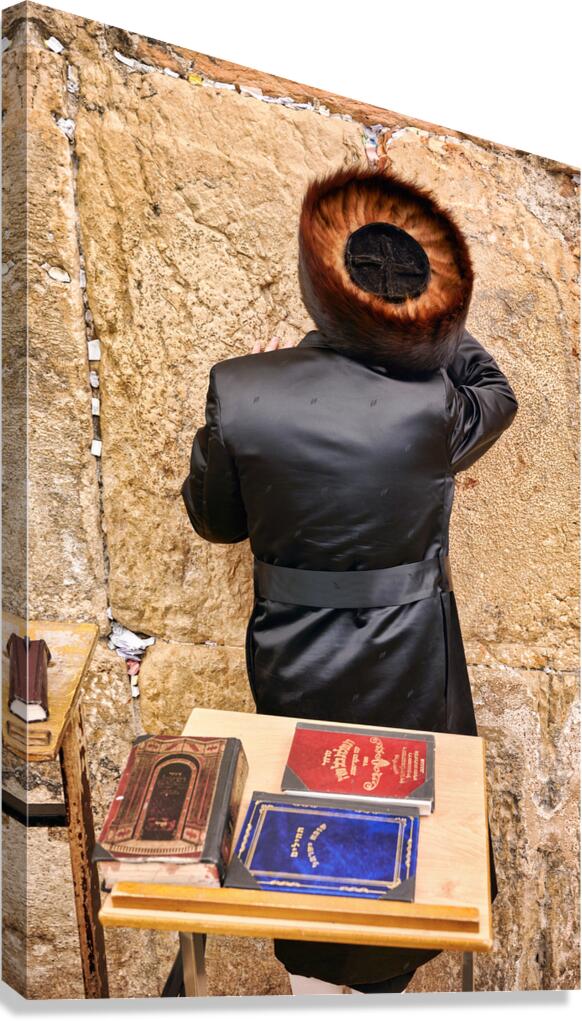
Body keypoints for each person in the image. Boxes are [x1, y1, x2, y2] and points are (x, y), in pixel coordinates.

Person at [181, 162, 519, 995]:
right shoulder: (432, 402)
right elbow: (497, 390)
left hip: (297, 656)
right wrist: (426, 328)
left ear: (314, 285)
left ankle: (315, 978)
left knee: (309, 827)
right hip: (411, 653)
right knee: (403, 830)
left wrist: (253, 398)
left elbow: (216, 520)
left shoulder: (242, 387)